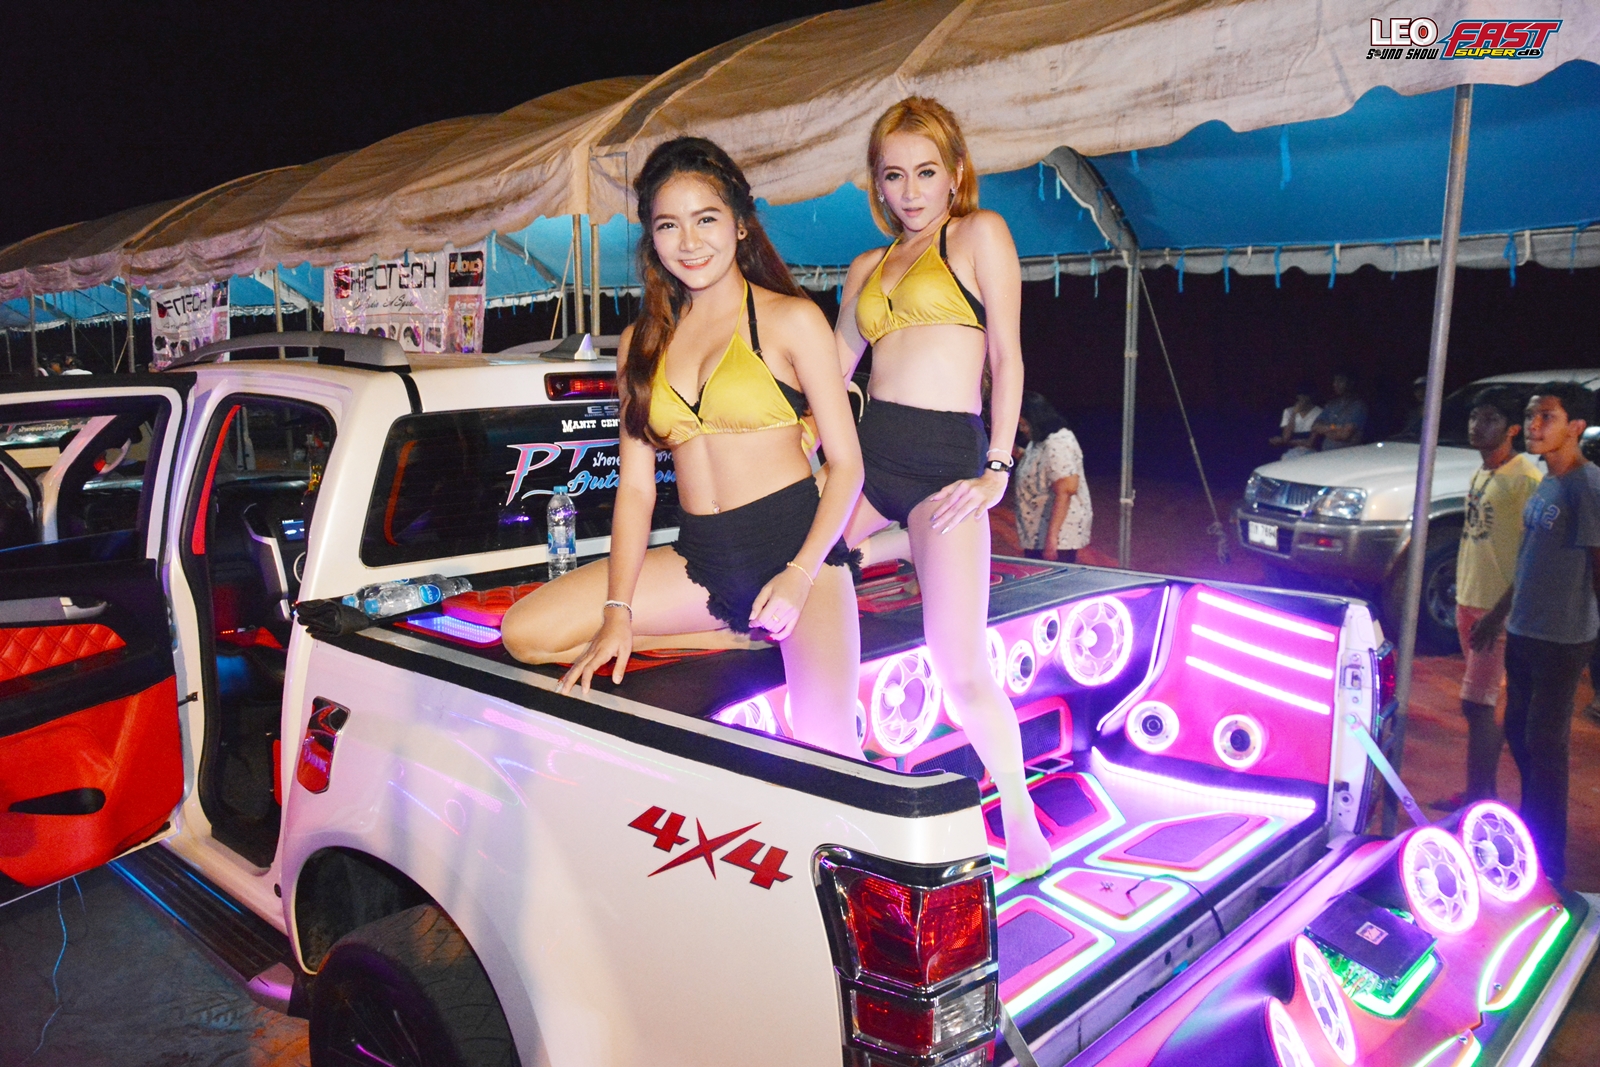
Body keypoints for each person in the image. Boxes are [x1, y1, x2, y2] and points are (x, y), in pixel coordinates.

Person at [501, 137, 866, 759]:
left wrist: (800, 575)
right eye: (669, 225)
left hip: (796, 554)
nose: (689, 242)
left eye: (706, 219)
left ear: (741, 224)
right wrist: (618, 611)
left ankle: (762, 622)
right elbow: (636, 490)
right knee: (526, 633)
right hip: (700, 560)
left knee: (826, 750)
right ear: (651, 238)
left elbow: (848, 465)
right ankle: (734, 632)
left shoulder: (791, 319)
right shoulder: (640, 343)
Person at [833, 97, 1053, 877]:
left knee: (960, 669)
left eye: (926, 172)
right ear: (877, 183)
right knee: (795, 575)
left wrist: (997, 465)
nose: (911, 190)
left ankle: (1020, 816)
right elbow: (832, 372)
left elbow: (1008, 356)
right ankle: (839, 784)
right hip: (868, 461)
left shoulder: (978, 234)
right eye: (894, 175)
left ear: (956, 172)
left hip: (945, 466)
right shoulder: (866, 267)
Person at [1470, 382, 1600, 886]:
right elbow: (1529, 559)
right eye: (1530, 416)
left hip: (1562, 639)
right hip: (1524, 629)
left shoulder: (1586, 487)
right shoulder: (1547, 480)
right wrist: (1498, 614)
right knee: (1522, 737)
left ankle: (1551, 865)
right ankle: (1533, 834)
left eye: (1547, 416)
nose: (1534, 425)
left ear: (1576, 427)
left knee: (1546, 746)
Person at [1432, 388, 1541, 811]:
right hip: (1471, 601)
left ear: (1513, 429)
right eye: (1475, 416)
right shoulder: (1483, 473)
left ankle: (1480, 796)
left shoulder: (1524, 478)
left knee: (1479, 703)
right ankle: (1479, 790)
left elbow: (1534, 554)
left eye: (1490, 418)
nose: (1478, 426)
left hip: (1497, 609)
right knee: (1481, 703)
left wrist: (1499, 613)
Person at [1014, 391, 1091, 563]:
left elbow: (1066, 490)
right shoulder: (1040, 440)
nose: (1022, 429)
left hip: (1057, 537)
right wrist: (1017, 452)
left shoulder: (1057, 443)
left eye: (1024, 424)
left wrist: (1052, 539)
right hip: (1037, 532)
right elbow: (1040, 468)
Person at [1311, 371, 1368, 450]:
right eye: (1335, 381)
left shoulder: (1358, 406)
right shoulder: (1332, 404)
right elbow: (1314, 426)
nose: (1335, 384)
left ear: (1351, 383)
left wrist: (1324, 430)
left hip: (1346, 453)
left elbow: (1344, 435)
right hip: (1325, 453)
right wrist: (1336, 427)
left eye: (1340, 381)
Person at [1269, 383, 1321, 459]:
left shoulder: (1318, 412)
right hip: (1291, 452)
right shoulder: (1288, 411)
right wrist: (1294, 413)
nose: (1302, 399)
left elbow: (1310, 442)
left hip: (1312, 452)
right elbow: (1286, 437)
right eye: (1300, 395)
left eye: (1305, 396)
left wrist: (1283, 441)